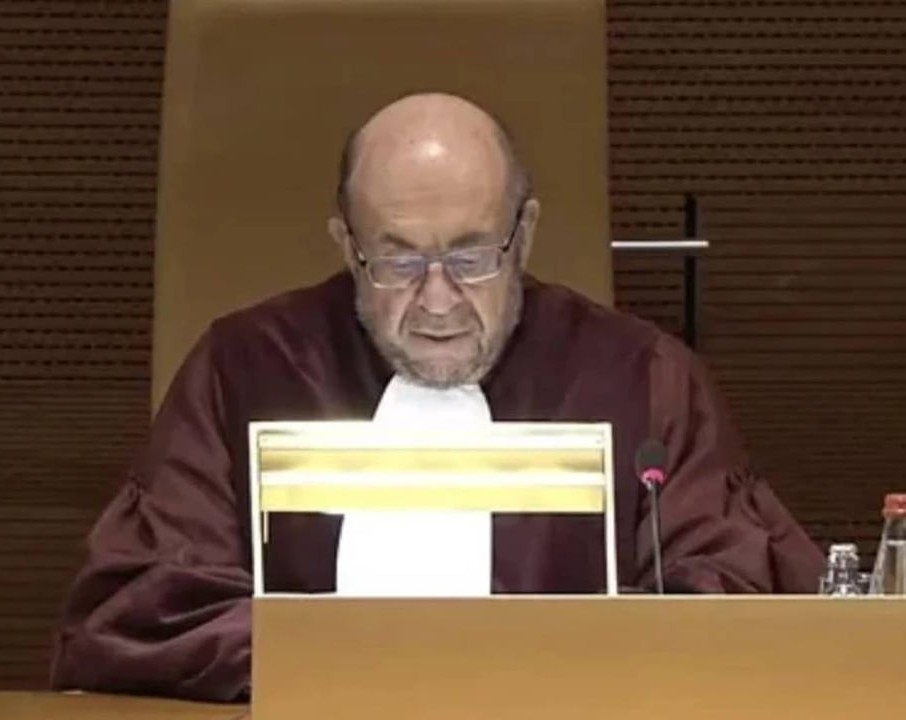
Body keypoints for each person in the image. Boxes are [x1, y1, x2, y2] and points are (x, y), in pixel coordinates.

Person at [48, 92, 825, 702]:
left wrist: (532, 665)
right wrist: (376, 665)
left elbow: (739, 602)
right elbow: (141, 609)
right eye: (397, 262)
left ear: (525, 235)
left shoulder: (641, 376)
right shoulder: (248, 367)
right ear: (346, 245)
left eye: (473, 256)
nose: (439, 301)